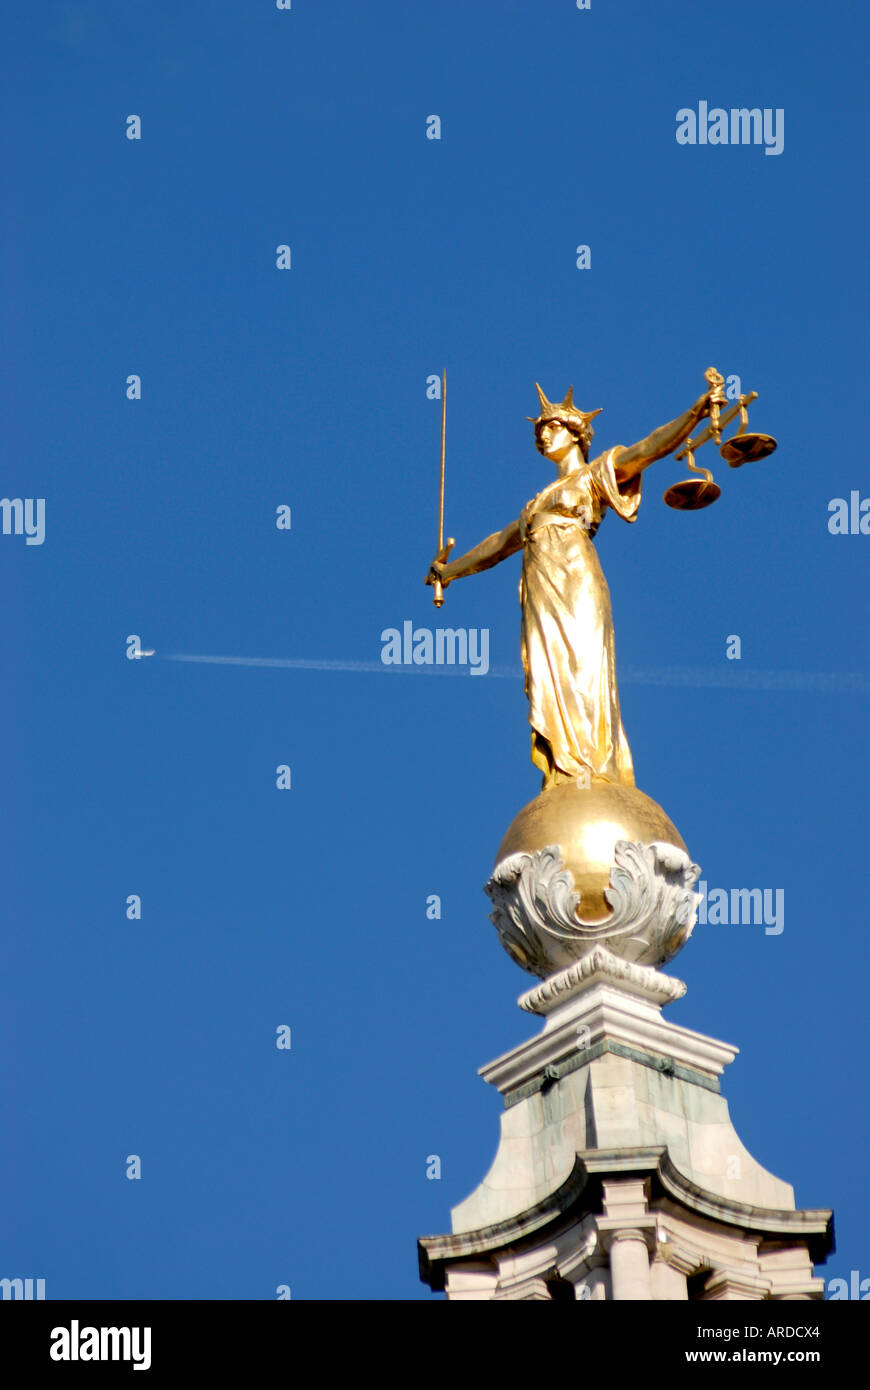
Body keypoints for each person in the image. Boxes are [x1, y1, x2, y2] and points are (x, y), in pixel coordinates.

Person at [425, 381, 716, 789]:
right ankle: (563, 768)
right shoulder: (536, 503)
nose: (542, 436)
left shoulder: (594, 476)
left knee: (582, 666)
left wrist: (695, 414)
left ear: (576, 434)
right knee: (550, 670)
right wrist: (449, 572)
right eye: (538, 431)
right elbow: (500, 543)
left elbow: (649, 448)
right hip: (541, 591)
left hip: (576, 582)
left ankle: (592, 766)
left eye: (552, 427)